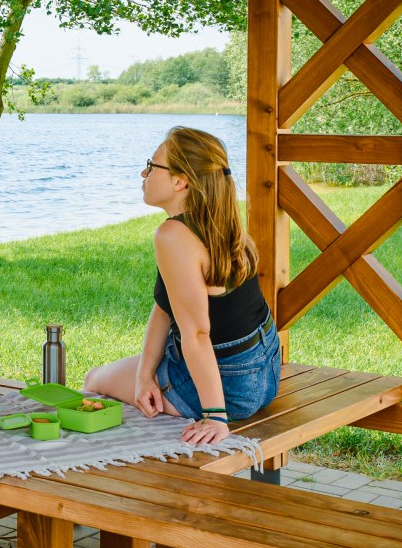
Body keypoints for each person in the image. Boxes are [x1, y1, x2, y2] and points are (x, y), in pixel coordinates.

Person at [83, 127, 280, 446]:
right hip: (266, 370)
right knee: (131, 380)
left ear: (180, 180)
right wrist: (145, 374)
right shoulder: (217, 222)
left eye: (152, 164)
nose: (143, 172)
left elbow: (198, 333)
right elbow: (166, 308)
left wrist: (216, 416)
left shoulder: (173, 236)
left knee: (94, 381)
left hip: (231, 387)